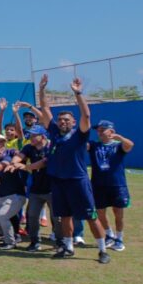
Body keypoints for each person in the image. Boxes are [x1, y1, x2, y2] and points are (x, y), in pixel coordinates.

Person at [37, 75, 110, 264]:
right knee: (64, 216)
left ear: (74, 122)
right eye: (60, 120)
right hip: (58, 181)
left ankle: (102, 250)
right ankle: (68, 247)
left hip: (77, 181)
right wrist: (42, 90)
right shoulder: (54, 132)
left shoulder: (80, 135)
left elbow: (86, 115)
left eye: (67, 120)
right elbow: (45, 109)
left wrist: (78, 93)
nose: (62, 122)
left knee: (91, 216)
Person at [90, 120, 134, 252]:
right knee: (100, 212)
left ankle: (119, 239)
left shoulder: (118, 146)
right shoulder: (94, 145)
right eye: (98, 130)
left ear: (111, 131)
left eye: (102, 130)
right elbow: (82, 145)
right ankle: (109, 234)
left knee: (118, 213)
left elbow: (130, 145)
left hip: (117, 185)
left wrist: (119, 137)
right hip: (98, 185)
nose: (99, 132)